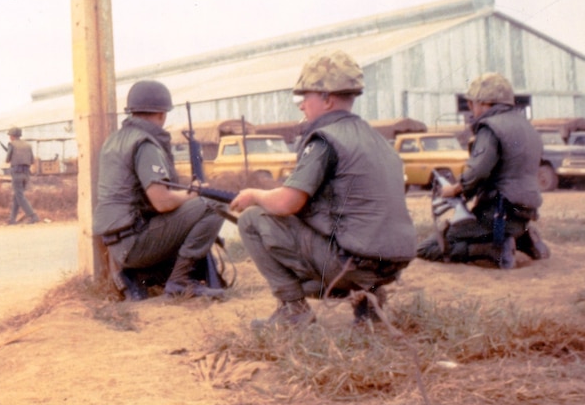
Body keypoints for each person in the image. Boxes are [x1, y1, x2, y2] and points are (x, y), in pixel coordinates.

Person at [228, 50, 416, 327]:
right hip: (390, 264)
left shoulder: (325, 139)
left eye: (305, 97)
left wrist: (254, 195)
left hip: (351, 264)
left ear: (327, 99)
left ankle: (293, 310)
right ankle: (370, 306)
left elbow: (287, 203)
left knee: (251, 220)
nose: (302, 106)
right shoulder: (375, 139)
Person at [93, 80, 227, 301]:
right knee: (214, 204)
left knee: (196, 212)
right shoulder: (145, 144)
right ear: (162, 114)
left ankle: (147, 277)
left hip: (119, 246)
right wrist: (193, 194)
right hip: (135, 244)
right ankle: (180, 281)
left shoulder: (114, 140)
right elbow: (162, 201)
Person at [417, 73, 549, 268]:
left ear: (485, 103)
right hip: (523, 214)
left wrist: (453, 190)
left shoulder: (491, 127)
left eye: (472, 104)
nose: (471, 110)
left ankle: (492, 250)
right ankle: (523, 238)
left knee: (427, 248)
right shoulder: (528, 128)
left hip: (496, 214)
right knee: (487, 228)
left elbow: (477, 172)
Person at [5, 127, 40, 225]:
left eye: (10, 135)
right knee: (17, 196)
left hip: (17, 173)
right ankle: (12, 219)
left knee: (19, 196)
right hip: (26, 174)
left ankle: (33, 216)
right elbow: (32, 160)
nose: (9, 137)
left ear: (12, 136)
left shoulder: (11, 144)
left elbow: (7, 160)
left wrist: (11, 154)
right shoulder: (28, 145)